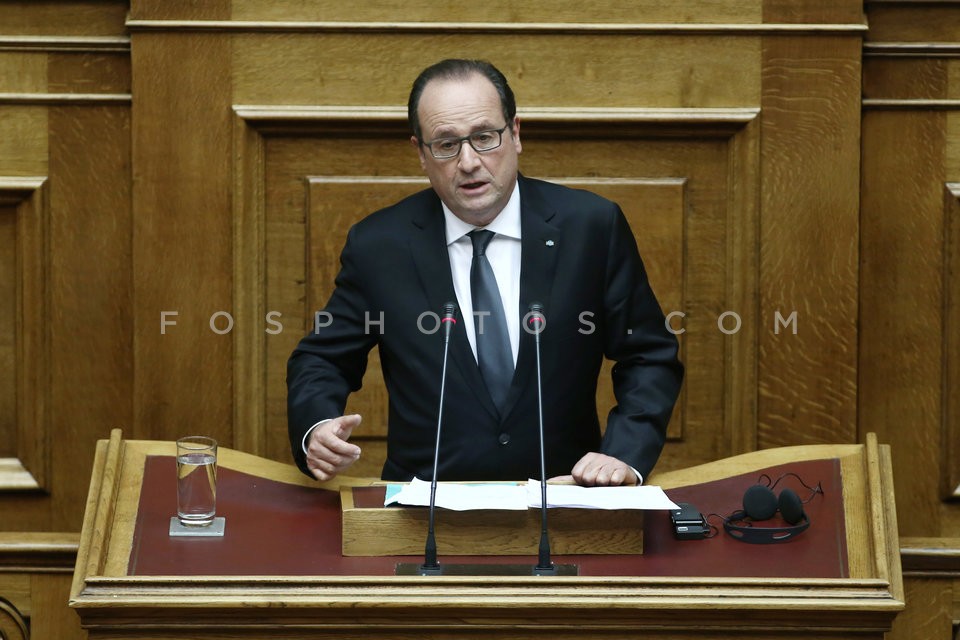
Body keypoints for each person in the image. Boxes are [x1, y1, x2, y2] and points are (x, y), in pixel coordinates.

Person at [287, 59, 683, 487]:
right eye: (446, 144)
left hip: (566, 498)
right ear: (421, 154)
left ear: (515, 134)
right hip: (426, 511)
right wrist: (317, 427)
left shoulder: (591, 227)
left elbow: (648, 356)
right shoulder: (380, 245)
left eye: (484, 137)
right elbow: (323, 357)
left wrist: (623, 455)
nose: (469, 161)